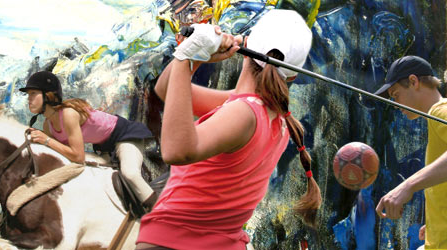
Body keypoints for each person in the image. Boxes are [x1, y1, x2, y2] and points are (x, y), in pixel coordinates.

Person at [136, 10, 321, 250]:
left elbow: (176, 150)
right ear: (293, 75)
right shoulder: (267, 115)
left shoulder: (243, 113)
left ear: (246, 44)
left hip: (175, 241)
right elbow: (166, 91)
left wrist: (186, 57)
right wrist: (196, 57)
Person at [20, 71, 158, 211]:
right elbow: (62, 154)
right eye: (28, 94)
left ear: (48, 95)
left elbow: (78, 157)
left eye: (33, 93)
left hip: (124, 135)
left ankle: (161, 212)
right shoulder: (47, 125)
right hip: (105, 147)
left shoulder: (68, 114)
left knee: (130, 173)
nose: (28, 99)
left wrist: (47, 140)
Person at [374, 55, 447, 248]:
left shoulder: (440, 111)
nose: (396, 105)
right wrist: (435, 223)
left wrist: (407, 186)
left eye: (396, 95)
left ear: (414, 81)